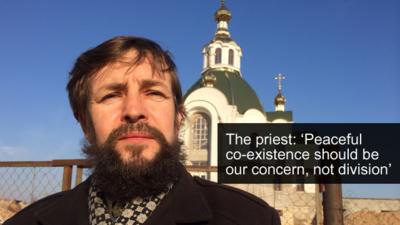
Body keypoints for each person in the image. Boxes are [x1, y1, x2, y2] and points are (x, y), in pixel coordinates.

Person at [5, 36, 281, 225]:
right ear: (85, 123)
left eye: (153, 93)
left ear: (178, 117)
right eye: (111, 95)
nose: (134, 110)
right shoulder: (33, 221)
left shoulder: (249, 218)